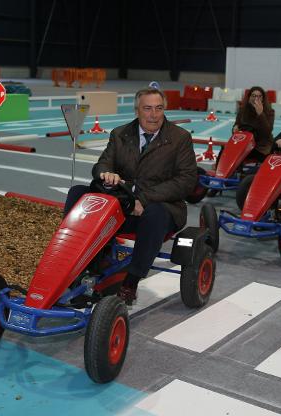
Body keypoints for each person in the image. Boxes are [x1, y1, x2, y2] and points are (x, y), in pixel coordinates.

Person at [63, 88, 197, 305]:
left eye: (159, 108)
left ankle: (131, 280)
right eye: (147, 108)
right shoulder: (120, 134)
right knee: (78, 193)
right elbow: (102, 163)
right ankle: (77, 264)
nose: (154, 114)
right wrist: (105, 173)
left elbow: (186, 181)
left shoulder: (179, 138)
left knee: (155, 214)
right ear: (137, 110)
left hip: (161, 207)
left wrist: (143, 199)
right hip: (123, 205)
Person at [232, 86, 275, 163]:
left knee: (264, 158)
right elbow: (236, 125)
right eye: (253, 95)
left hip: (261, 145)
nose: (256, 98)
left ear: (263, 98)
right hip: (244, 143)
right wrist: (234, 129)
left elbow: (267, 132)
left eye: (259, 96)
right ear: (249, 97)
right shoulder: (242, 110)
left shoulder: (270, 112)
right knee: (226, 151)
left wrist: (260, 114)